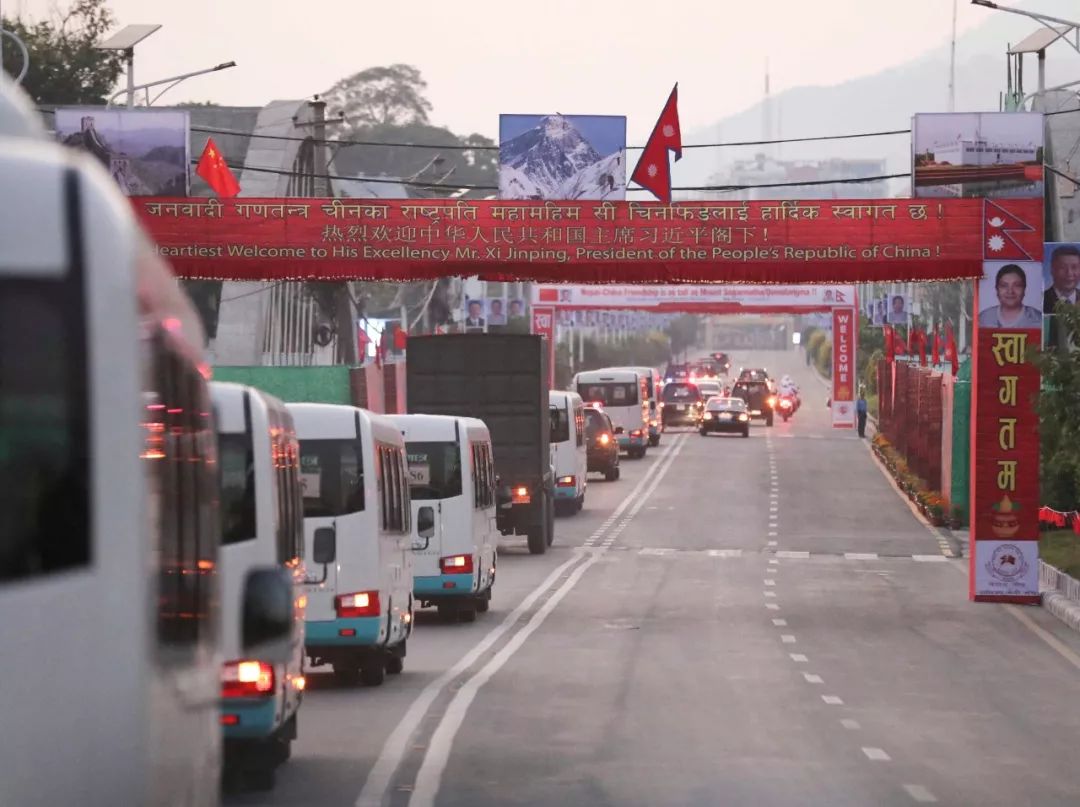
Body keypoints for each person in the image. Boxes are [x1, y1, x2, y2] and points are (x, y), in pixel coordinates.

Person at [979, 264, 1043, 329]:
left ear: (1024, 289)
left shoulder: (1039, 320)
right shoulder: (983, 319)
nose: (1010, 291)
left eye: (1017, 285)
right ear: (997, 289)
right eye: (1004, 285)